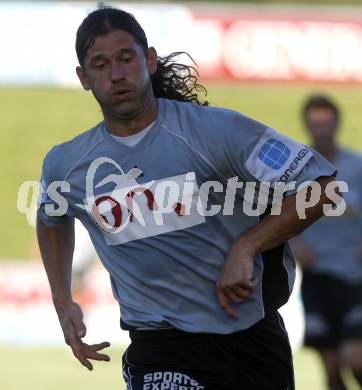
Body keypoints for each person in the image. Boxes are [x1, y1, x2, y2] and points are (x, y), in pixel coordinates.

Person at [36, 7, 337, 390]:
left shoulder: (217, 132)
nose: (116, 74)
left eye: (127, 58)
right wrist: (63, 300)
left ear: (149, 59)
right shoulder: (68, 164)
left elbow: (321, 185)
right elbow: (50, 218)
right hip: (160, 345)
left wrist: (246, 247)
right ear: (83, 77)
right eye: (101, 64)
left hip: (252, 340)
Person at [292, 95, 362, 390]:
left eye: (326, 123)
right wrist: (294, 244)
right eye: (315, 123)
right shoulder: (296, 170)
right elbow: (276, 211)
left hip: (354, 274)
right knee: (331, 367)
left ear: (336, 124)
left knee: (356, 357)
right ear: (307, 124)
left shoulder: (356, 166)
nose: (321, 129)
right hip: (317, 276)